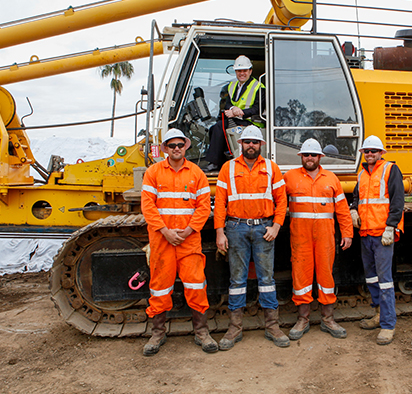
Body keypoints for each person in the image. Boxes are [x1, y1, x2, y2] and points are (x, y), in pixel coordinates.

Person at [140, 128, 217, 356]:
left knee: (195, 284)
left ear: (186, 147)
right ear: (165, 148)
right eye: (171, 145)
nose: (176, 149)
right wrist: (165, 231)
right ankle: (157, 333)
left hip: (188, 240)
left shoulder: (197, 173)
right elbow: (148, 206)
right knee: (160, 286)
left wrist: (188, 230)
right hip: (162, 240)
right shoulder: (153, 172)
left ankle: (202, 332)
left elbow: (204, 206)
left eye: (180, 145)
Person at [214, 125, 289, 349]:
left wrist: (276, 226)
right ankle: (235, 328)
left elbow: (282, 200)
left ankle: (272, 326)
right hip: (235, 229)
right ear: (241, 144)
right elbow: (220, 202)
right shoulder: (227, 168)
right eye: (247, 141)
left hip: (264, 228)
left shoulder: (271, 167)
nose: (250, 145)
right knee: (237, 281)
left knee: (267, 280)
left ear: (260, 145)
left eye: (254, 142)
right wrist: (220, 231)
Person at [283, 139, 354, 340]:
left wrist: (347, 233)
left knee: (326, 276)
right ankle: (303, 319)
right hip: (300, 238)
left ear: (320, 157)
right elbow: (278, 203)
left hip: (325, 237)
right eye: (306, 155)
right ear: (301, 157)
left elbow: (342, 210)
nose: (310, 158)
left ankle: (328, 318)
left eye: (313, 155)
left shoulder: (331, 178)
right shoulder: (290, 178)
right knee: (301, 277)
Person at [350, 135, 404, 345]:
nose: (370, 153)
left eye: (374, 150)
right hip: (366, 234)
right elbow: (357, 197)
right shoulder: (362, 173)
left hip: (383, 234)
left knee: (385, 280)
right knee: (371, 278)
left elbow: (397, 200)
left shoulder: (390, 170)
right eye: (367, 150)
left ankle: (388, 325)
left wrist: (390, 227)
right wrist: (353, 209)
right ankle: (379, 313)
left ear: (381, 152)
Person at [205, 55, 266, 171]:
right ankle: (218, 160)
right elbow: (227, 104)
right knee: (215, 128)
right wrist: (233, 109)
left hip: (251, 122)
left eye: (244, 71)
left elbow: (258, 108)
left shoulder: (259, 87)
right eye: (239, 71)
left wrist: (241, 112)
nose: (241, 73)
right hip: (236, 119)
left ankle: (216, 162)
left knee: (220, 127)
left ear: (250, 71)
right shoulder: (232, 86)